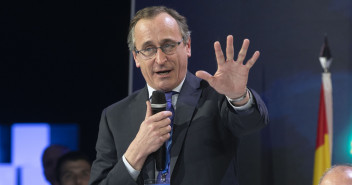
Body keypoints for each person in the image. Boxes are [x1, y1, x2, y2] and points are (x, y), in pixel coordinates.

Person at [89, 6, 269, 185]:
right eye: (148, 49)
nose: (160, 59)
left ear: (187, 46)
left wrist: (238, 96)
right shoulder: (114, 117)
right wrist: (135, 153)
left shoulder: (218, 98)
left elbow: (252, 123)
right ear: (136, 57)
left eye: (168, 45)